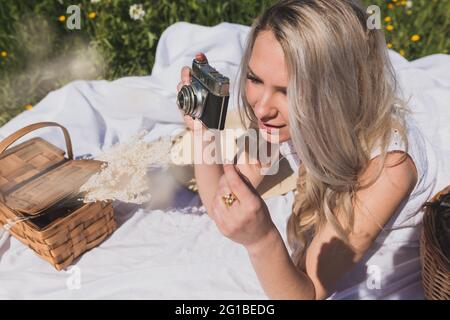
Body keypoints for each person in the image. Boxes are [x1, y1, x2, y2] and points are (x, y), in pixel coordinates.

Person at [176, 0, 432, 299]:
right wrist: (202, 134)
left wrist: (262, 241)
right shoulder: (276, 119)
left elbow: (306, 294)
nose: (261, 108)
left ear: (337, 92)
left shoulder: (389, 168)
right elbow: (224, 201)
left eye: (288, 91)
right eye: (255, 79)